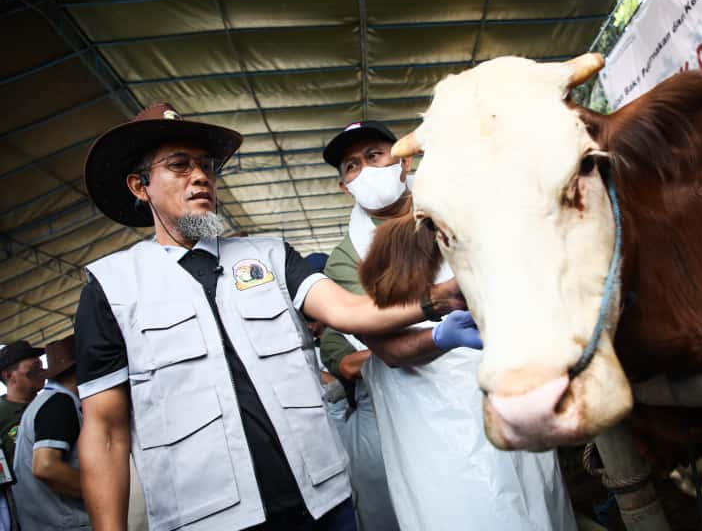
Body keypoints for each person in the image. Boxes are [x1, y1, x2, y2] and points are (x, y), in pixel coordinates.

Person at [75, 103, 470, 531]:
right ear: (140, 186)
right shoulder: (112, 288)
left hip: (324, 504)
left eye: (207, 166)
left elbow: (350, 310)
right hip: (208, 519)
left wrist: (438, 299)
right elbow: (106, 432)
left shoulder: (270, 256)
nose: (201, 176)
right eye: (179, 165)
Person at [321, 121, 577, 530]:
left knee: (534, 493)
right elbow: (387, 348)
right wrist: (442, 328)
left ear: (403, 161)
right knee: (462, 503)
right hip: (421, 405)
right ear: (343, 187)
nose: (365, 170)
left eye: (374, 156)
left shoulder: (457, 200)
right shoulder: (347, 256)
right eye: (351, 167)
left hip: (496, 370)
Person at [12, 335, 90, 530]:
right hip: (63, 523)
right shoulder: (59, 404)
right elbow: (46, 467)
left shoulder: (47, 402)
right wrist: (103, 489)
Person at [0, 340, 45, 531]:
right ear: (9, 376)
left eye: (41, 367)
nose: (41, 374)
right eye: (33, 369)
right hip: (20, 509)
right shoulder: (2, 414)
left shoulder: (51, 405)